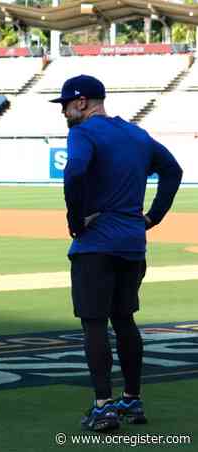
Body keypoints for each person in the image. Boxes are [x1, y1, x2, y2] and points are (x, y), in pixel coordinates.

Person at [51, 75, 182, 431]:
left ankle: (103, 405)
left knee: (94, 323)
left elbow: (75, 170)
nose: (62, 111)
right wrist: (152, 217)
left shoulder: (83, 132)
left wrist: (75, 219)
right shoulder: (137, 134)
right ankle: (133, 400)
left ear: (81, 102)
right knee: (124, 320)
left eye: (64, 104)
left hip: (96, 243)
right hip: (131, 243)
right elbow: (173, 171)